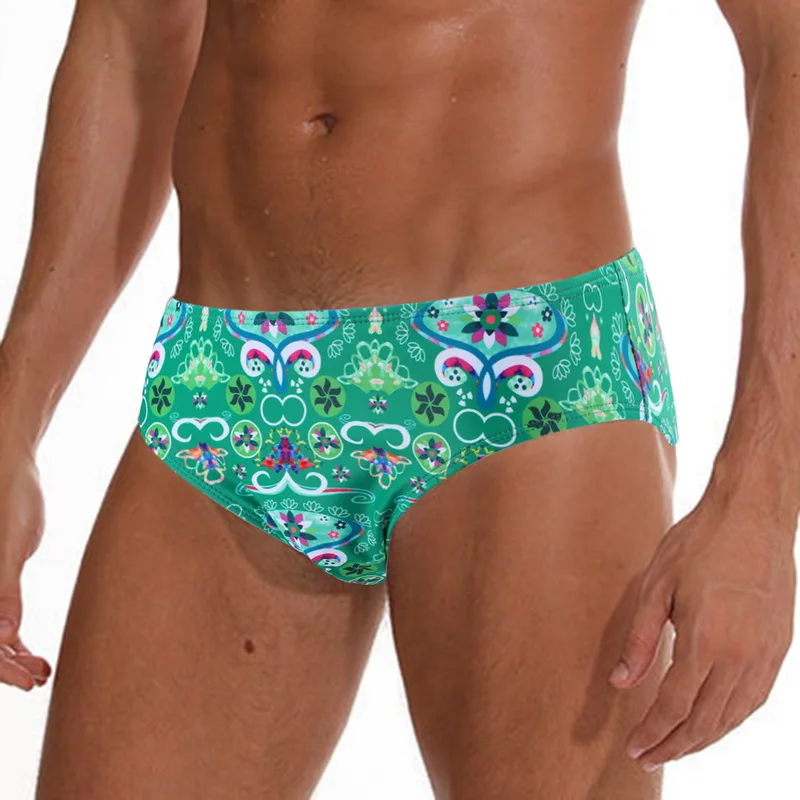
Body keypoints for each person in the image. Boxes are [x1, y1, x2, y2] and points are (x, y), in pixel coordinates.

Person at [0, 0, 796, 797]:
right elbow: (130, 38)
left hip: (518, 362)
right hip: (228, 372)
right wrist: (12, 426)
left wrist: (758, 507)